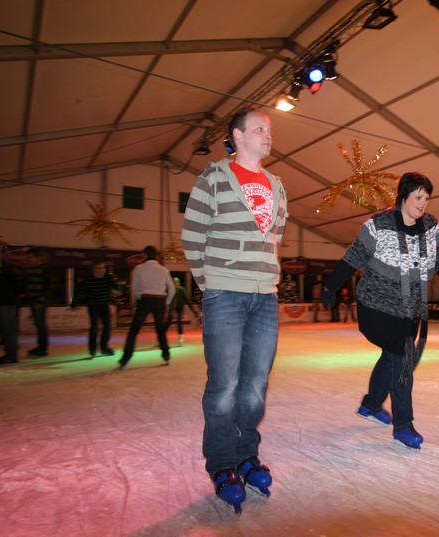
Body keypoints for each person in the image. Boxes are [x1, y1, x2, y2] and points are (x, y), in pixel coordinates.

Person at [181, 107, 287, 513]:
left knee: (255, 386)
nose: (267, 134)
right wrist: (212, 284)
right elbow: (193, 236)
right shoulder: (213, 179)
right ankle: (223, 462)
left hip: (265, 296)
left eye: (269, 129)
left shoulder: (277, 185)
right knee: (224, 386)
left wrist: (266, 277)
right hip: (225, 293)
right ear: (237, 136)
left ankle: (246, 454)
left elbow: (275, 236)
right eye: (259, 128)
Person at [321, 172, 439, 450]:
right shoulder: (379, 224)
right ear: (403, 196)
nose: (423, 203)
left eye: (426, 198)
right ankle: (403, 425)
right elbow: (353, 257)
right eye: (418, 197)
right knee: (401, 358)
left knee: (392, 357)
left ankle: (371, 404)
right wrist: (331, 286)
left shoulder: (430, 226)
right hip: (376, 307)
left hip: (410, 311)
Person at [118, 246, 176, 368]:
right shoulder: (164, 270)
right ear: (156, 256)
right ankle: (166, 355)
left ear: (144, 255)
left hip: (145, 299)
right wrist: (167, 303)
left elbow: (134, 287)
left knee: (134, 330)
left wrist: (141, 298)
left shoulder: (138, 268)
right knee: (160, 329)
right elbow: (172, 288)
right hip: (160, 300)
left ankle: (125, 358)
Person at [71, 261, 119, 357]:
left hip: (104, 305)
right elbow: (80, 291)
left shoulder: (108, 278)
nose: (101, 270)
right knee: (94, 327)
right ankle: (92, 349)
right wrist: (74, 303)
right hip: (93, 306)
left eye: (103, 268)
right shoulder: (88, 279)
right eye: (99, 268)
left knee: (107, 327)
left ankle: (104, 348)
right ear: (94, 269)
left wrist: (117, 290)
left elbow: (117, 286)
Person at [23, 247, 51, 357]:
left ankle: (43, 348)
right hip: (32, 299)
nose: (29, 259)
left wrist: (40, 300)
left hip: (39, 300)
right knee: (37, 324)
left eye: (30, 257)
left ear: (37, 257)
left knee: (40, 324)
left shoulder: (45, 268)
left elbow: (47, 286)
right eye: (27, 258)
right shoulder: (29, 269)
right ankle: (40, 346)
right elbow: (26, 284)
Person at [166, 277, 200, 345]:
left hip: (180, 307)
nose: (176, 284)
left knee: (179, 321)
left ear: (179, 283)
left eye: (177, 282)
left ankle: (181, 338)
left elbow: (188, 300)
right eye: (174, 282)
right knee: (168, 322)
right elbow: (166, 299)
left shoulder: (182, 290)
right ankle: (161, 337)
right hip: (172, 307)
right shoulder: (169, 290)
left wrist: (194, 311)